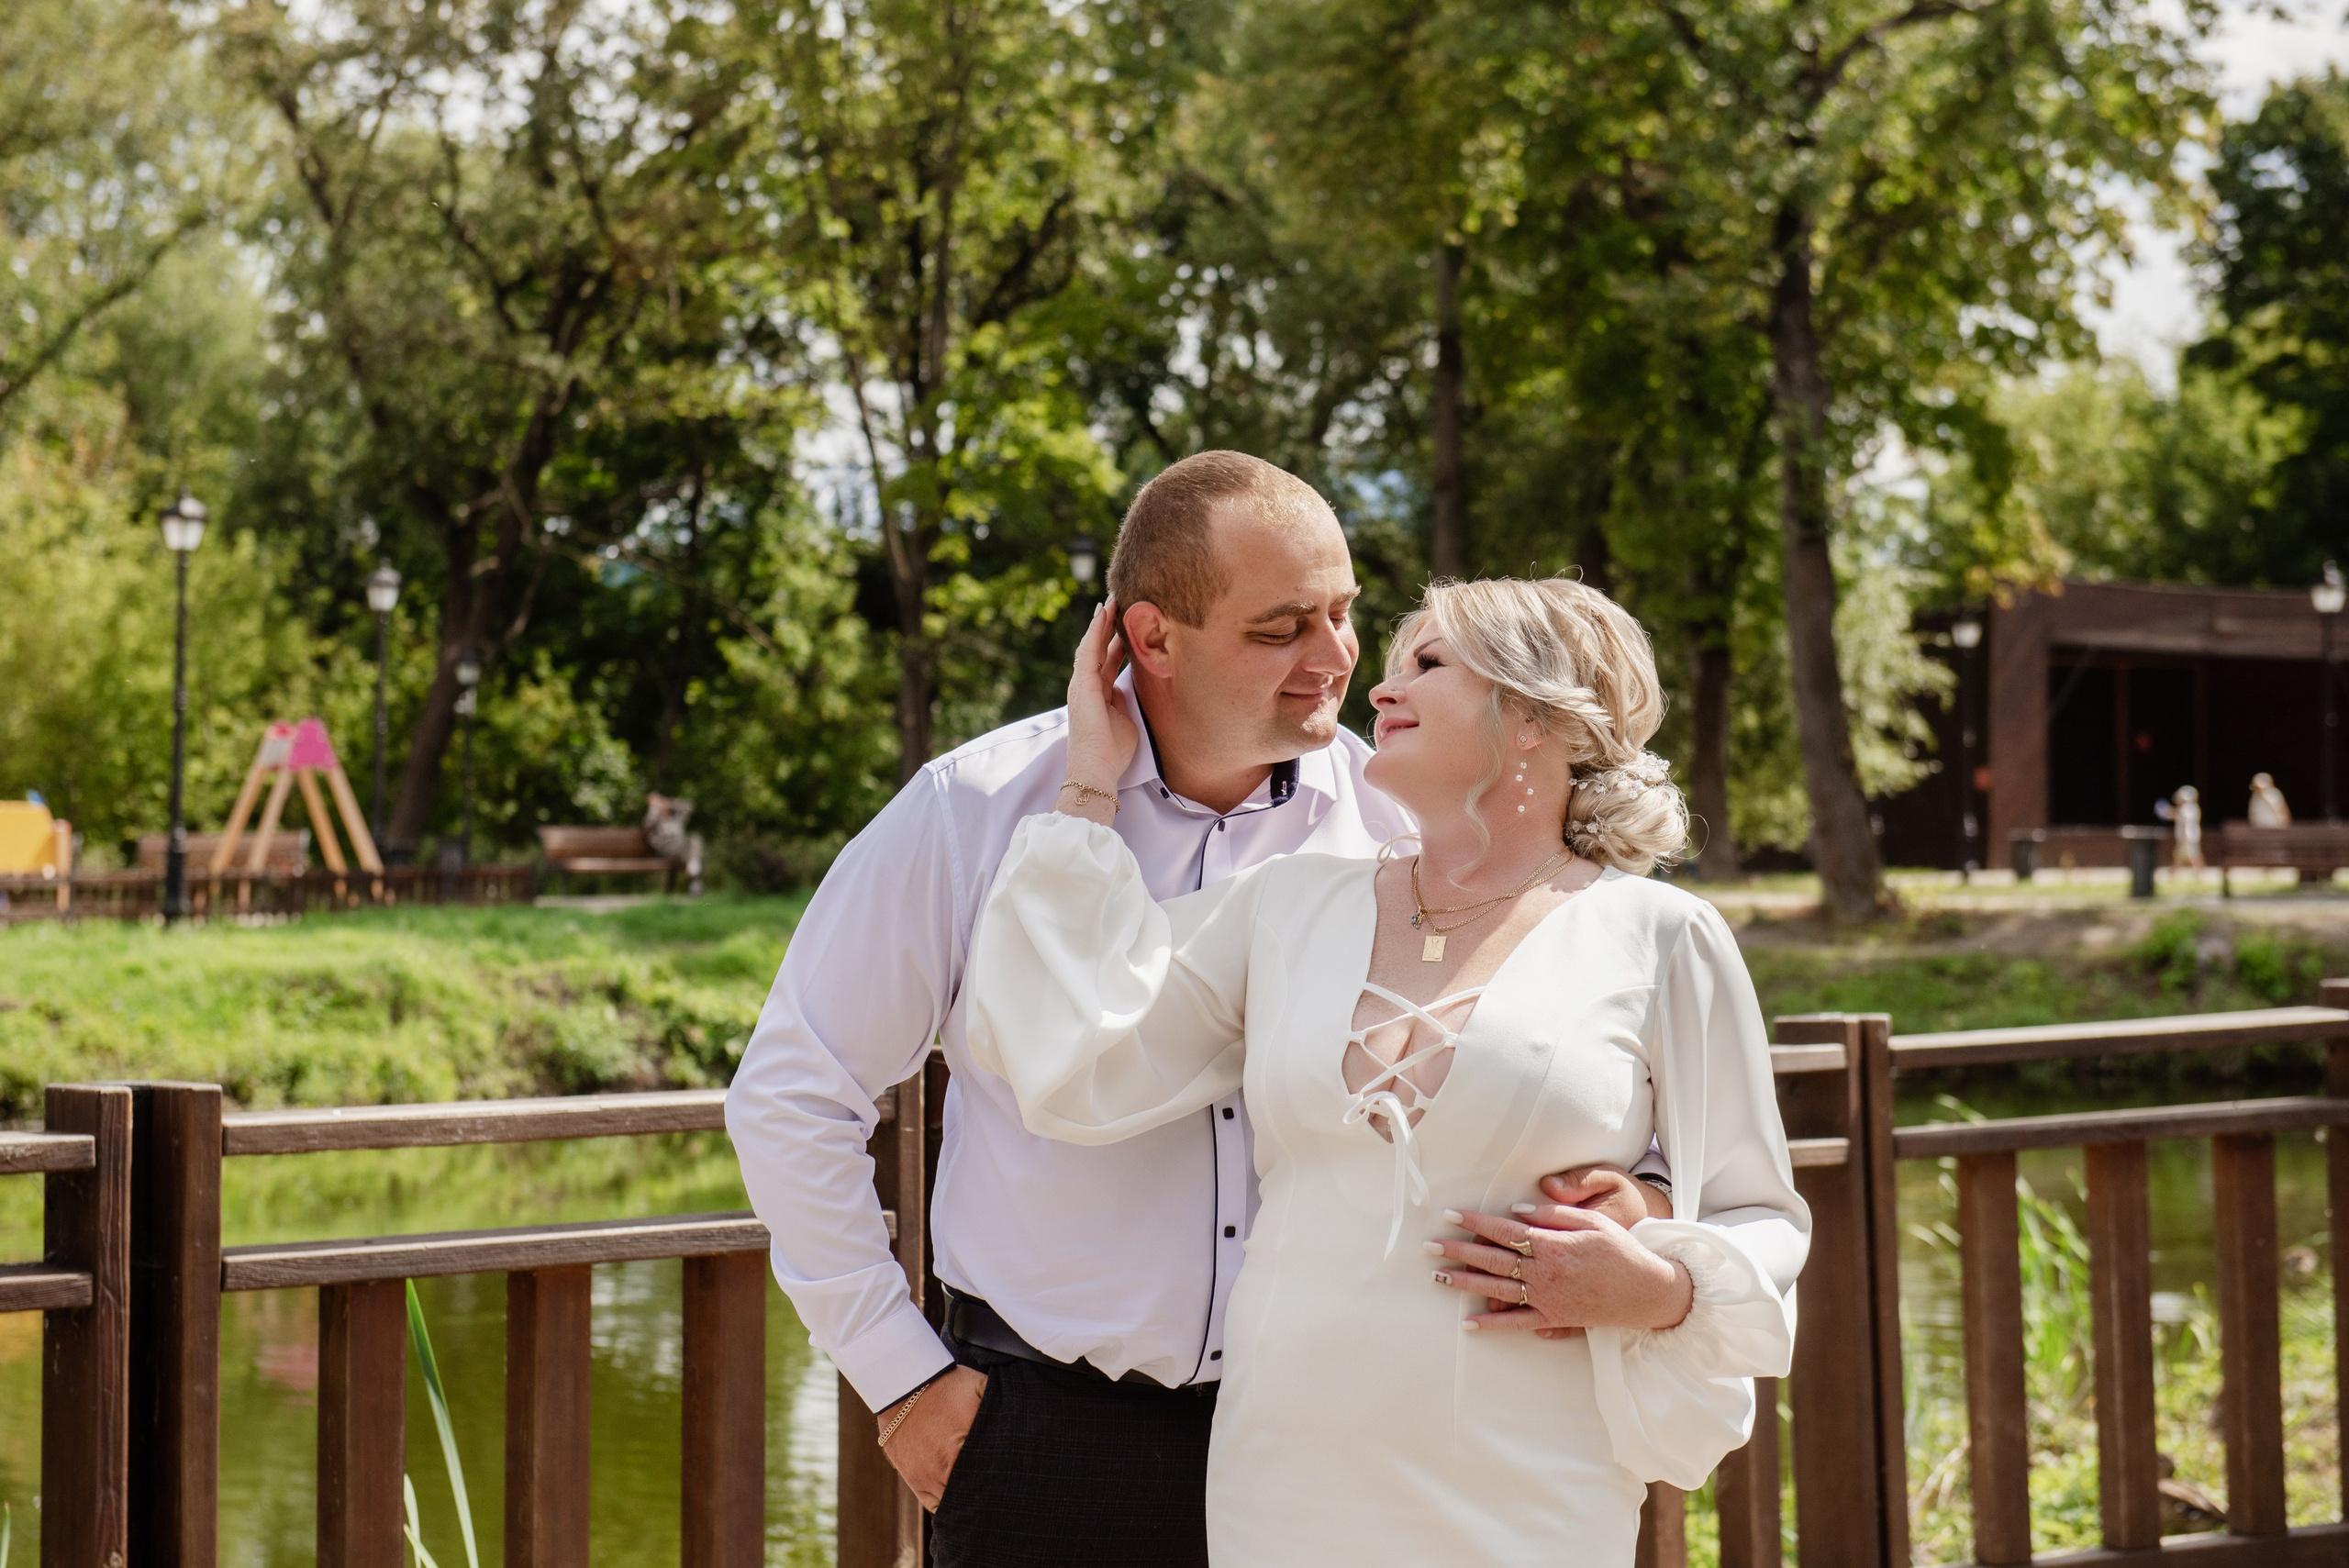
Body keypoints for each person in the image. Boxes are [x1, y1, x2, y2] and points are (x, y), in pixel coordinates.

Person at [724, 453, 1670, 1568]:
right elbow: (793, 1094)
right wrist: (906, 1380)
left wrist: (1640, 1195)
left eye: (1343, 614)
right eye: (1281, 629)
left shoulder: (1404, 827)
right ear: (1151, 638)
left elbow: (1590, 1047)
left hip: (1346, 1450)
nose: (1336, 662)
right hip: (1049, 1443)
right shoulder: (972, 811)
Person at [965, 575, 1808, 1562]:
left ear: (1533, 711)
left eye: (1427, 661)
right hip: (1283, 1476)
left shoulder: (1664, 938)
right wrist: (1088, 783)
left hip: (1532, 1483)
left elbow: (1760, 1211)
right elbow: (1069, 1057)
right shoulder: (1281, 907)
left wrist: (1659, 1285)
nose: (1377, 687)